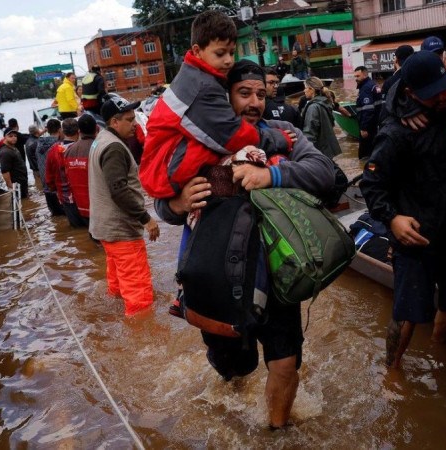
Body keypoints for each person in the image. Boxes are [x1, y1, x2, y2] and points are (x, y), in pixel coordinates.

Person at [155, 59, 334, 429]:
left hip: (278, 272)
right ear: (225, 98)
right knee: (235, 368)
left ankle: (276, 433)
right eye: (244, 93)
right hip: (217, 277)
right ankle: (231, 399)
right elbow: (162, 203)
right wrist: (177, 202)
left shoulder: (282, 132)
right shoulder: (199, 141)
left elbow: (325, 173)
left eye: (260, 94)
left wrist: (270, 173)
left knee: (285, 363)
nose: (254, 102)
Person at [360, 51, 446, 369]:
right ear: (411, 93)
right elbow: (372, 184)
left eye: (444, 87)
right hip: (415, 233)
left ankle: (440, 354)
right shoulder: (396, 133)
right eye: (432, 93)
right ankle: (391, 372)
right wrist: (391, 218)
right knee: (406, 311)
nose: (442, 96)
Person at [140, 10, 265, 200]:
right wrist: (278, 139)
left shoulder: (198, 77)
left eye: (232, 52)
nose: (229, 60)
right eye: (220, 53)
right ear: (197, 51)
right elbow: (233, 137)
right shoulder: (202, 86)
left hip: (161, 169)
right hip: (164, 173)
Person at [88, 96, 160, 317]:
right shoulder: (115, 148)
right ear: (114, 121)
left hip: (105, 228)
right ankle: (140, 338)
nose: (135, 124)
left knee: (118, 284)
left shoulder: (100, 139)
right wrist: (146, 219)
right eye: (130, 120)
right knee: (140, 296)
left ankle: (115, 318)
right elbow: (119, 189)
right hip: (121, 230)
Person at [45, 118, 85, 227]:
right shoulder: (83, 148)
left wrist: (55, 190)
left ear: (62, 131)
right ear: (78, 131)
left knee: (77, 228)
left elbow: (49, 176)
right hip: (84, 195)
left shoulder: (53, 150)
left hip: (66, 196)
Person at [64, 114, 98, 225]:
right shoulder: (98, 147)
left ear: (79, 131)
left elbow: (67, 177)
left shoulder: (69, 151)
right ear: (97, 128)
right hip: (100, 206)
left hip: (81, 207)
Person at [301, 76, 342, 159]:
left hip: (319, 151)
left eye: (305, 88)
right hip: (327, 150)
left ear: (311, 89)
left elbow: (309, 133)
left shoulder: (313, 107)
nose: (304, 90)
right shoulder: (325, 102)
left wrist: (307, 154)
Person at [36, 118, 65, 216]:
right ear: (60, 130)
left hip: (46, 189)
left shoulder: (39, 144)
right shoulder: (59, 146)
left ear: (47, 130)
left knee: (56, 219)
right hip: (58, 189)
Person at [353, 66, 379, 159]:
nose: (356, 79)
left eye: (358, 76)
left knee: (365, 156)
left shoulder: (366, 88)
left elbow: (368, 109)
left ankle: (367, 171)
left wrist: (364, 128)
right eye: (355, 76)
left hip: (368, 127)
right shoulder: (372, 85)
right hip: (374, 124)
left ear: (365, 75)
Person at [0, 128, 29, 198]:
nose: (14, 138)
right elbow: (5, 172)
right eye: (10, 136)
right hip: (16, 185)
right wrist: (12, 189)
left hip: (22, 182)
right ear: (5, 137)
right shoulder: (5, 152)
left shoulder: (13, 147)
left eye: (15, 136)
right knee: (21, 203)